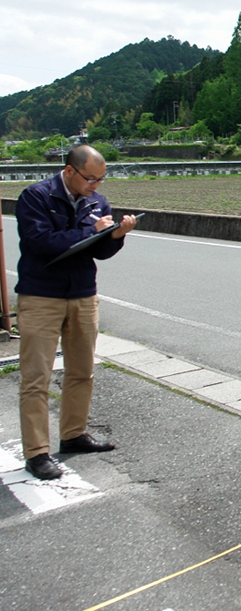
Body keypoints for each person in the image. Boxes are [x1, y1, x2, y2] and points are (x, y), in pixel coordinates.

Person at [16, 144, 138, 480]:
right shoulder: (36, 196)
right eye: (90, 179)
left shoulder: (97, 202)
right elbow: (43, 243)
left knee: (82, 371)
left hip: (83, 294)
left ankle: (73, 434)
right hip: (41, 295)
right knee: (36, 379)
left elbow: (99, 252)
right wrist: (93, 231)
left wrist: (116, 236)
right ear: (69, 170)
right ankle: (37, 453)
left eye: (100, 180)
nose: (95, 186)